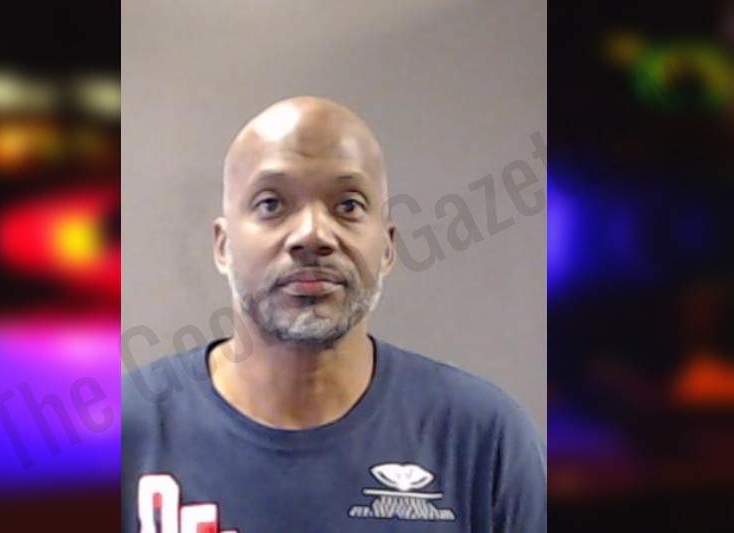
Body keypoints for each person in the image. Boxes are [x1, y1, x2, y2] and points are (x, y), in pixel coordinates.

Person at [122, 96, 546, 532]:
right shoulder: (123, 435)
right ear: (223, 246)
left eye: (348, 206)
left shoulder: (483, 440)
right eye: (271, 204)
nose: (312, 235)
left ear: (387, 247)